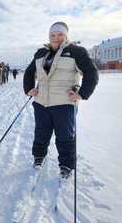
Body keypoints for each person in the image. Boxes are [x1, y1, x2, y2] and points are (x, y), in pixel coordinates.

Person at [23, 22, 99, 179]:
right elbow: (30, 72)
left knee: (65, 137)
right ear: (49, 37)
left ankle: (66, 165)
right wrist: (29, 88)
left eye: (60, 34)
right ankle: (38, 157)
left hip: (64, 103)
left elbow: (91, 72)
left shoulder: (75, 51)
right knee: (41, 132)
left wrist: (82, 93)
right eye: (53, 35)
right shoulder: (40, 53)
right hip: (41, 102)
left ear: (66, 36)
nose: (56, 38)